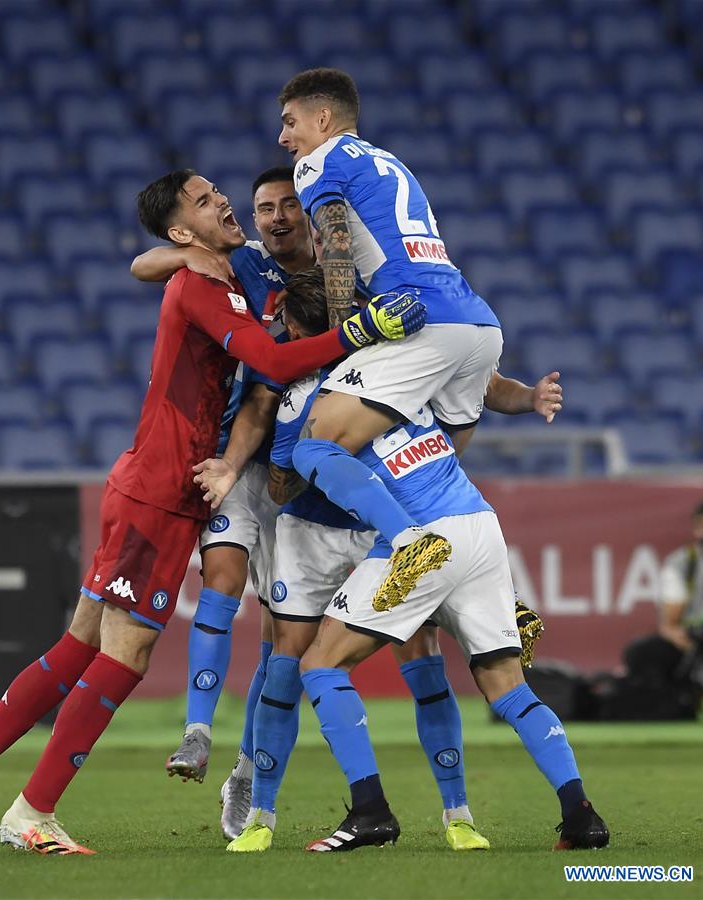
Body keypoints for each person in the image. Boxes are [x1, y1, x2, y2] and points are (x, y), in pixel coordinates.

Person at [0, 170, 424, 856]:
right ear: (183, 229)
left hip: (149, 482)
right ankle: (32, 810)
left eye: (219, 192)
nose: (223, 201)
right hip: (160, 490)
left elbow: (165, 272)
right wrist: (357, 332)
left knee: (81, 643)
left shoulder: (224, 277)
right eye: (205, 201)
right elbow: (270, 362)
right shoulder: (200, 286)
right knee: (126, 654)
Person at [218, 269, 561, 853]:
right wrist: (527, 399)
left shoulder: (299, 392)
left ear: (297, 327)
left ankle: (264, 820)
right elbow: (481, 382)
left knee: (291, 667)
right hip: (377, 528)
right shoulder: (393, 362)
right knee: (423, 670)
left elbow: (278, 490)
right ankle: (457, 814)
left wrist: (304, 458)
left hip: (344, 534)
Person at [285, 383, 609, 852]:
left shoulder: (329, 406)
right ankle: (581, 815)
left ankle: (370, 811)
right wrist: (527, 397)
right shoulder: (406, 382)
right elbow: (480, 385)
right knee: (509, 687)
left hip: (422, 534)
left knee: (320, 665)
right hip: (479, 523)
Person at [130, 167, 318, 836]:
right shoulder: (247, 267)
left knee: (282, 627)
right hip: (241, 454)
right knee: (223, 576)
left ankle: (246, 772)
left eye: (286, 206)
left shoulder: (342, 273)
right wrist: (186, 249)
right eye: (263, 206)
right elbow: (142, 262)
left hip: (309, 472)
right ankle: (198, 730)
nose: (271, 217)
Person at [276, 68, 506, 612]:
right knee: (431, 465)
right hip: (478, 323)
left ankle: (405, 545)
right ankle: (500, 598)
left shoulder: (317, 162)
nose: (284, 138)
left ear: (323, 118)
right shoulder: (387, 160)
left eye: (290, 122)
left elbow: (332, 238)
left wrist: (339, 335)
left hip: (420, 324)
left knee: (318, 443)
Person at [624, 497, 703, 702]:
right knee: (643, 652)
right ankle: (678, 703)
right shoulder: (683, 563)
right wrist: (695, 644)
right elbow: (669, 625)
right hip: (701, 643)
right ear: (698, 530)